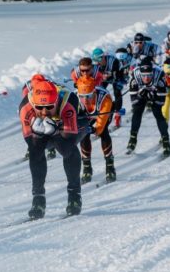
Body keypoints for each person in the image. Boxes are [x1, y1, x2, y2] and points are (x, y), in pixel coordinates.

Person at [18, 74, 88, 219]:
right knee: (35, 151)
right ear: (34, 104)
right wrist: (37, 136)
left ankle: (74, 195)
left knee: (69, 152)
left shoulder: (68, 102)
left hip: (74, 123)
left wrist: (56, 131)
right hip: (47, 127)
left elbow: (68, 146)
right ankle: (38, 199)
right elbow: (31, 146)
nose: (44, 112)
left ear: (56, 102)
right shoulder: (25, 108)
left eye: (49, 107)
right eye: (40, 108)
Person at [126, 57, 170, 156]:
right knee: (137, 112)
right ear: (140, 74)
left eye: (149, 75)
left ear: (153, 73)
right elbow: (134, 101)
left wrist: (153, 98)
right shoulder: (135, 77)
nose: (146, 78)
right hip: (141, 93)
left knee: (158, 114)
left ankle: (166, 140)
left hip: (155, 93)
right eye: (144, 75)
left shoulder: (159, 76)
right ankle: (132, 139)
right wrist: (139, 95)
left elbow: (161, 101)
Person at [76, 75, 116, 184]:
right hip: (87, 115)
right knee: (83, 134)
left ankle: (110, 166)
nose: (85, 100)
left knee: (103, 132)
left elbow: (100, 125)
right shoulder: (75, 99)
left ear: (94, 92)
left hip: (102, 111)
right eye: (82, 97)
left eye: (88, 96)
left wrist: (95, 130)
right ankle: (87, 167)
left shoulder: (105, 99)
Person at [92, 47, 125, 128]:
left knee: (117, 91)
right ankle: (99, 111)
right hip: (105, 77)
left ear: (103, 57)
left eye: (99, 61)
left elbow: (116, 75)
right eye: (96, 61)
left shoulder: (113, 61)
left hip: (117, 75)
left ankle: (117, 114)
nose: (97, 63)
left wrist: (107, 76)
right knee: (99, 92)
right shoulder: (95, 65)